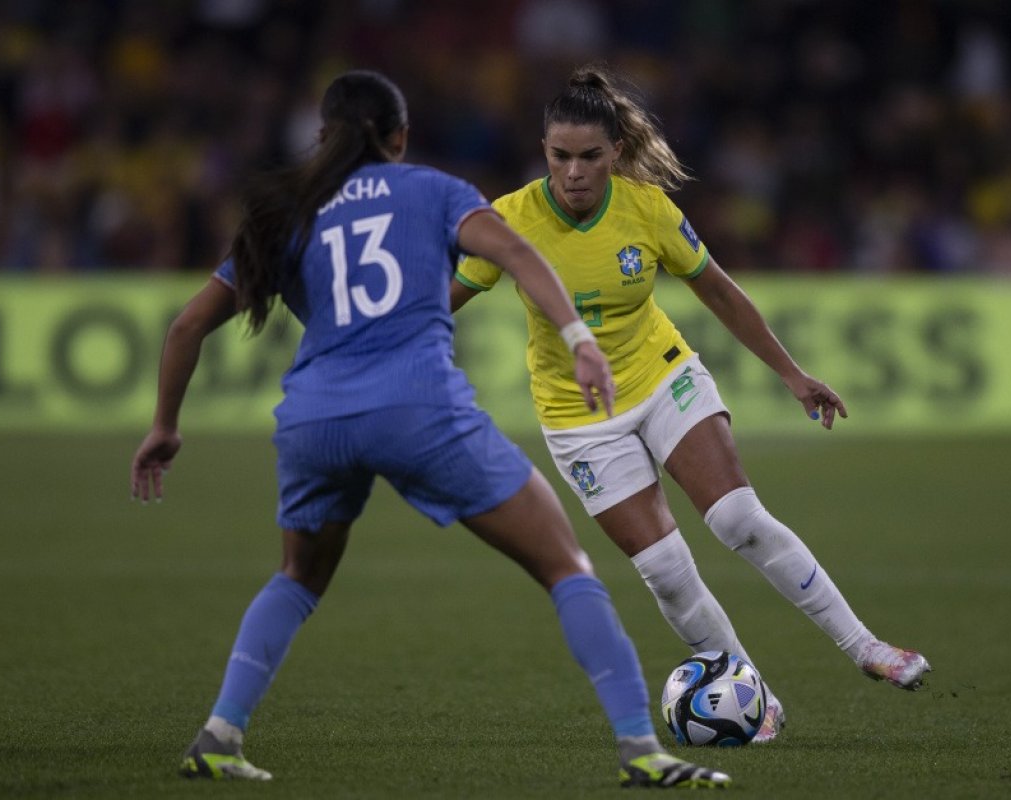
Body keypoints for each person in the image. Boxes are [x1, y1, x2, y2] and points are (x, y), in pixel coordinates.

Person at [130, 70, 729, 790]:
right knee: (566, 566)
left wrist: (165, 425)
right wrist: (577, 336)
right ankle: (643, 751)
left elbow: (189, 323)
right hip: (419, 409)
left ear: (321, 138)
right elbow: (515, 252)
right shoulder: (434, 190)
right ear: (400, 139)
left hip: (314, 420)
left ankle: (218, 735)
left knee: (297, 577)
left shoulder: (283, 212)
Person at [451, 64, 932, 743]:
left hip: (661, 376)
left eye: (591, 156)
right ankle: (752, 696)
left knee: (739, 517)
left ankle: (868, 648)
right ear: (544, 152)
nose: (575, 171)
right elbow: (444, 301)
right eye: (560, 156)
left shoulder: (647, 209)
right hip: (578, 417)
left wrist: (793, 375)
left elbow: (721, 293)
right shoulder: (511, 219)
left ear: (616, 152)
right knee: (666, 573)